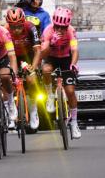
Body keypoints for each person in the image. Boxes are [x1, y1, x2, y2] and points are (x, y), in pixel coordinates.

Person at [41, 7, 81, 139]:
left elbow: (75, 50)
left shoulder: (71, 31)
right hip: (51, 58)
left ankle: (74, 122)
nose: (60, 30)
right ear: (54, 23)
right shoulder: (48, 31)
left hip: (66, 58)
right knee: (46, 70)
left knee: (70, 91)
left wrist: (73, 64)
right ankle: (50, 96)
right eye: (57, 26)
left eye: (63, 27)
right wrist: (51, 43)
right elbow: (42, 53)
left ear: (67, 25)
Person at [5, 7, 41, 130]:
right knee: (5, 79)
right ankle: (9, 110)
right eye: (13, 27)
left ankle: (33, 111)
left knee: (31, 80)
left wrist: (33, 67)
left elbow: (37, 50)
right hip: (12, 56)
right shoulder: (5, 30)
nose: (16, 30)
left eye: (19, 26)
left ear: (23, 22)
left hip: (28, 57)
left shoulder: (31, 27)